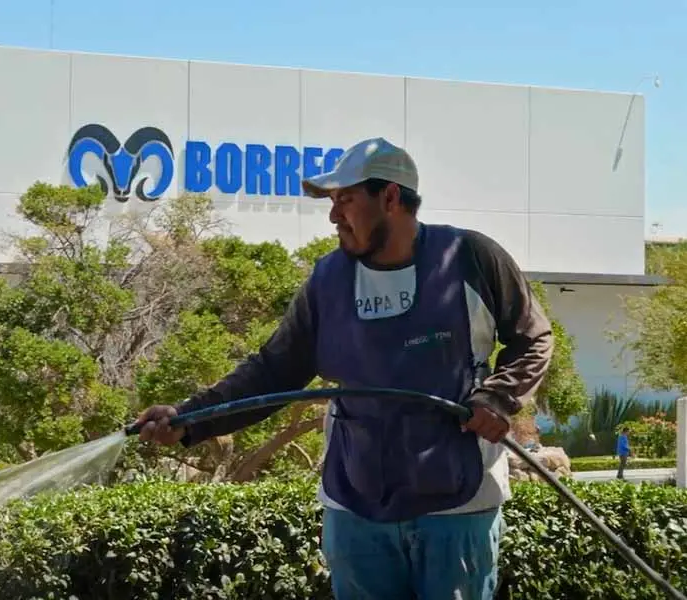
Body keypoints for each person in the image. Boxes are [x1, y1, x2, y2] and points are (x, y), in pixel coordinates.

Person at [135, 137, 555, 599]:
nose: (333, 216)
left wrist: (497, 397)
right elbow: (273, 370)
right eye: (332, 202)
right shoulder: (328, 280)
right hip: (355, 506)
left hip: (458, 505)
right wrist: (189, 418)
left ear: (390, 197)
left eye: (346, 200)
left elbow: (533, 337)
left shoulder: (470, 258)